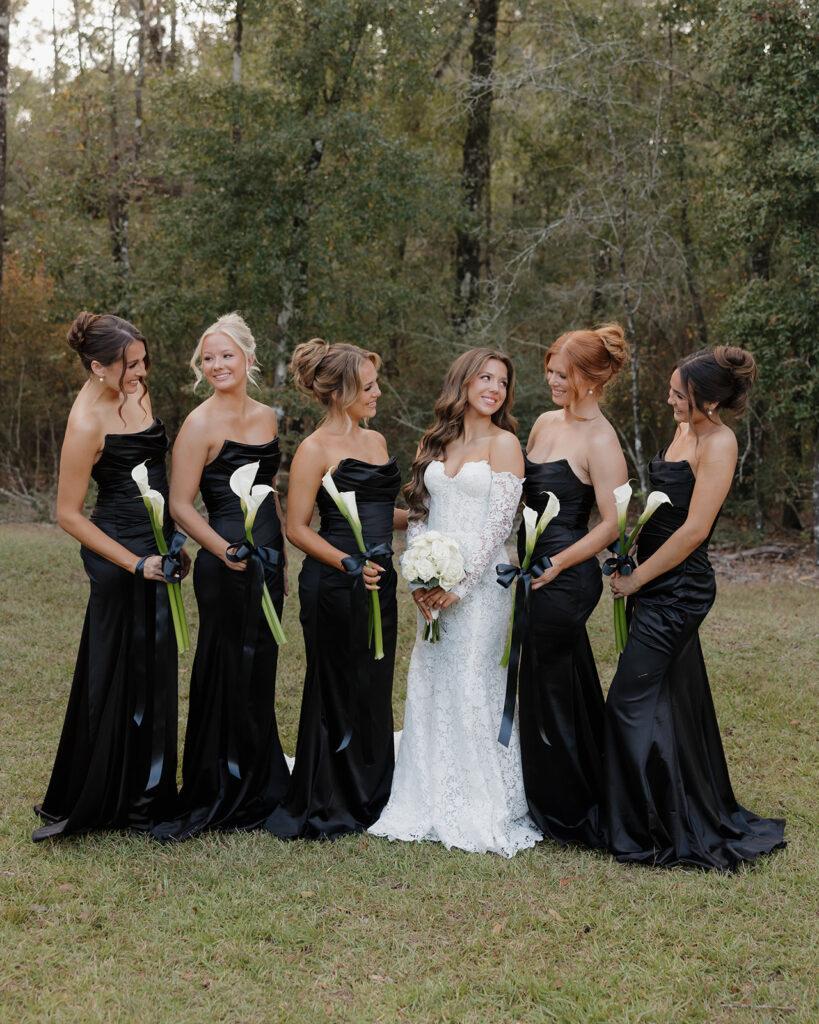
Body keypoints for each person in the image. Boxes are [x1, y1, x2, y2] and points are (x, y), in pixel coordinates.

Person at [606, 346, 786, 870]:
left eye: (678, 395)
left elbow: (693, 530)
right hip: (653, 575)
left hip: (679, 588)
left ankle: (639, 827)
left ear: (706, 400)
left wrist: (638, 578)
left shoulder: (720, 442)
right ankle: (670, 807)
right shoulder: (684, 431)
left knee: (626, 701)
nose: (670, 401)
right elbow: (661, 509)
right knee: (671, 698)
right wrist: (629, 550)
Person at [370, 348, 541, 857]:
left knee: (471, 679)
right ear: (462, 381)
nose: (494, 387)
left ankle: (482, 801)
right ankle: (426, 791)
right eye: (485, 377)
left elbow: (498, 527)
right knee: (430, 675)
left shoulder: (506, 444)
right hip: (432, 585)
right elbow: (421, 514)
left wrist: (459, 585)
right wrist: (418, 576)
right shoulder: (434, 441)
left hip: (482, 587)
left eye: (503, 382)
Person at [33, 312, 181, 842]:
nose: (141, 373)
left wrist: (174, 536)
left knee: (155, 663)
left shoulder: (137, 393)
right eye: (129, 365)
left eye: (143, 361)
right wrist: (136, 562)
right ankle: (104, 793)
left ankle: (148, 791)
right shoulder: (85, 423)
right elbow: (68, 514)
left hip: (161, 546)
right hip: (119, 553)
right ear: (98, 367)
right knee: (116, 668)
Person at [151, 313, 290, 841]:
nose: (216, 365)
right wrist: (225, 550)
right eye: (208, 358)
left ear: (248, 359)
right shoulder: (198, 423)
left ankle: (261, 780)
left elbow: (269, 488)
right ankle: (217, 782)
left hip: (269, 559)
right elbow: (182, 506)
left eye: (225, 355)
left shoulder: (268, 418)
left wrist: (277, 555)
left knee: (262, 667)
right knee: (225, 663)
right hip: (223, 560)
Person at [264, 339, 402, 839]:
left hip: (380, 579)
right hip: (335, 582)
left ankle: (371, 791)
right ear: (341, 391)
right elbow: (298, 527)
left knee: (374, 684)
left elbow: (381, 513)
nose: (378, 393)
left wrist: (434, 517)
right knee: (338, 685)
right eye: (368, 386)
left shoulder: (379, 441)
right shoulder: (313, 449)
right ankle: (330, 795)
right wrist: (348, 562)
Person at [518, 324, 628, 847]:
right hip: (526, 566)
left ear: (589, 379)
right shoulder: (542, 423)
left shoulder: (602, 440)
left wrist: (559, 562)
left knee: (550, 682)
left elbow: (611, 524)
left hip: (566, 572)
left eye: (563, 374)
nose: (552, 380)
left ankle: (564, 803)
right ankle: (565, 783)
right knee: (558, 679)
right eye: (551, 370)